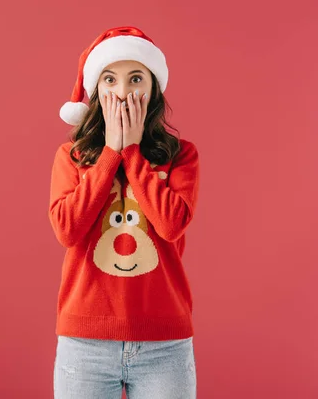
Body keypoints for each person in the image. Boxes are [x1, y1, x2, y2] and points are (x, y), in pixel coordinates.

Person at [48, 25, 200, 399]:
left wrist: (132, 152)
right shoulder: (71, 157)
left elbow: (170, 225)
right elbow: (67, 230)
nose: (123, 91)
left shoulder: (182, 155)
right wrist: (110, 154)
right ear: (97, 91)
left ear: (153, 89)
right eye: (110, 79)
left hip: (164, 344)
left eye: (136, 78)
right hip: (84, 342)